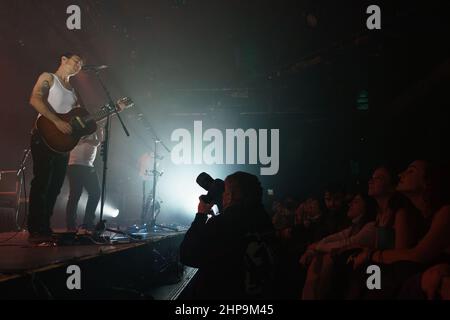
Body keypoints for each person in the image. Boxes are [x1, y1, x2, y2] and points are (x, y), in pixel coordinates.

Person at [352, 160, 450, 298]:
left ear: (427, 181)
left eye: (411, 171)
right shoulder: (424, 216)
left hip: (426, 276)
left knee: (372, 273)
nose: (400, 174)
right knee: (369, 274)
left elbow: (416, 256)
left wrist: (370, 255)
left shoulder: (445, 213)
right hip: (416, 272)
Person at [179, 171, 275, 299]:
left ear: (230, 196)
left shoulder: (222, 223)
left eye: (225, 192)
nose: (222, 195)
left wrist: (201, 215)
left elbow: (187, 255)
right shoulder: (266, 220)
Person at [28, 52, 84, 241]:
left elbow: (76, 121)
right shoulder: (48, 78)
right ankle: (34, 229)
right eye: (77, 61)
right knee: (42, 181)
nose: (79, 66)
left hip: (62, 145)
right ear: (63, 59)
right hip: (43, 137)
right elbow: (35, 99)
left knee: (56, 186)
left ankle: (44, 227)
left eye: (81, 65)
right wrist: (56, 122)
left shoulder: (74, 92)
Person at [65, 127, 104, 231]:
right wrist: (87, 139)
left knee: (95, 193)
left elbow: (99, 142)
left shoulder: (94, 128)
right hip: (74, 164)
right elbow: (74, 142)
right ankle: (71, 225)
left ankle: (88, 222)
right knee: (75, 194)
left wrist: (99, 131)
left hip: (88, 165)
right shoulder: (77, 127)